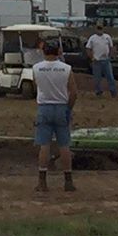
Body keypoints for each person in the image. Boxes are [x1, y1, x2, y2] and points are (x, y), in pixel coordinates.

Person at [32, 39, 78, 192]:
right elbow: (74, 92)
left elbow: (36, 86)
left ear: (44, 51)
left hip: (44, 107)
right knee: (64, 145)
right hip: (61, 107)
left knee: (44, 145)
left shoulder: (36, 68)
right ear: (58, 51)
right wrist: (68, 109)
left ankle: (42, 181)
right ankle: (68, 181)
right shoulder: (66, 69)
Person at [86, 23, 116, 97]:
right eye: (98, 28)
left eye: (101, 28)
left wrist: (110, 56)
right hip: (97, 61)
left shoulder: (107, 37)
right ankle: (98, 92)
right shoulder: (92, 38)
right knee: (97, 79)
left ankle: (113, 92)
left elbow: (111, 47)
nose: (100, 30)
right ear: (96, 29)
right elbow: (88, 48)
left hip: (106, 60)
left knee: (110, 77)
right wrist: (92, 58)